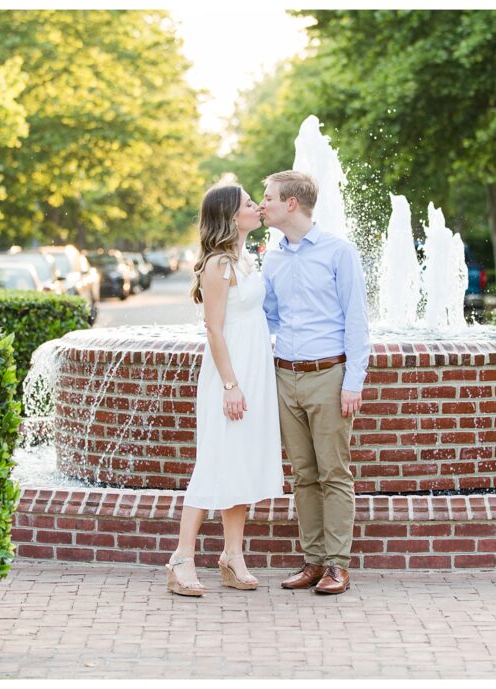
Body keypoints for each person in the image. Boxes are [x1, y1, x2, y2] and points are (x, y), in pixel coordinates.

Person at [165, 184, 285, 597]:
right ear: (232, 216)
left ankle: (232, 557)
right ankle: (182, 559)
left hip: (255, 369)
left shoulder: (246, 259)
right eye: (250, 204)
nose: (257, 207)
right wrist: (231, 385)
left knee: (243, 461)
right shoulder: (217, 265)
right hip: (228, 374)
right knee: (215, 462)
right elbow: (214, 330)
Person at [259, 170, 370, 595]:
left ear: (291, 203)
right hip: (285, 376)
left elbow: (357, 321)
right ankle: (313, 560)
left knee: (333, 473)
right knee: (303, 474)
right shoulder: (273, 257)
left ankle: (338, 565)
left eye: (268, 197)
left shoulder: (339, 252)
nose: (262, 203)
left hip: (329, 375)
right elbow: (268, 317)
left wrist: (353, 382)